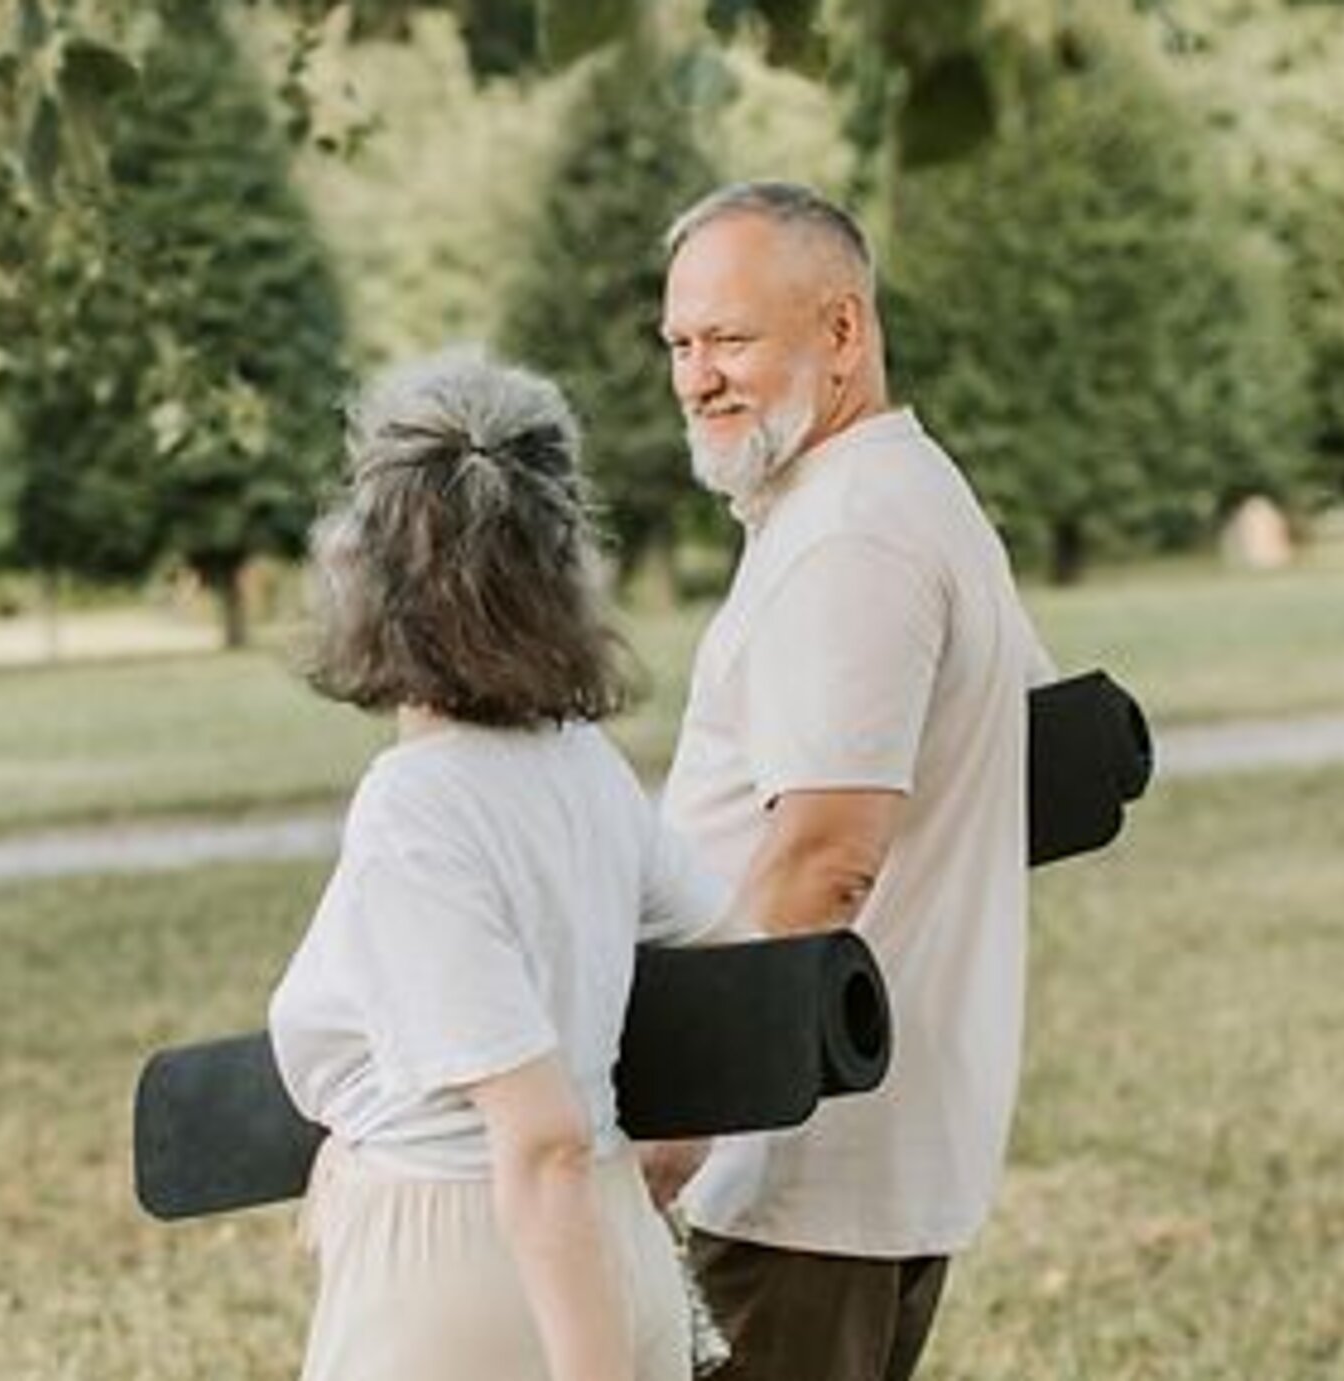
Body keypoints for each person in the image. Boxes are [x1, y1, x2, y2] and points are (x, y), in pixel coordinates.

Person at [645, 181, 1053, 1379]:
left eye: (729, 338)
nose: (695, 376)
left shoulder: (851, 539)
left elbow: (827, 853)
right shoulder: (893, 491)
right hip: (851, 1150)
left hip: (792, 1169)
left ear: (840, 333)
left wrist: (677, 1126)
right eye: (678, 343)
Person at [268, 350, 730, 1381]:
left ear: (363, 567)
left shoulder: (415, 807)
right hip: (615, 1249)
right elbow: (727, 956)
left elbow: (539, 1138)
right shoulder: (583, 770)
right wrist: (672, 1151)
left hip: (472, 1285)